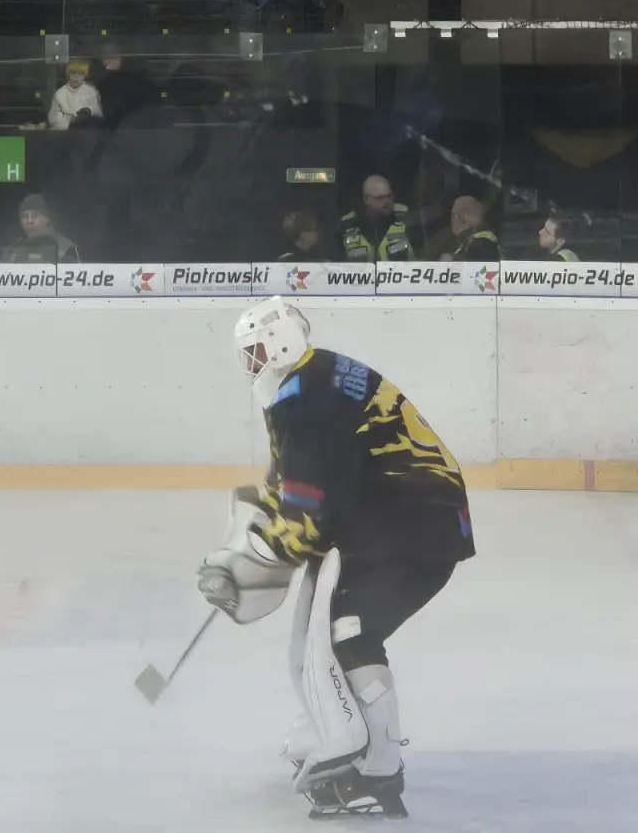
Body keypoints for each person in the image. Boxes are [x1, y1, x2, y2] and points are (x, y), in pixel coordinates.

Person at [197, 296, 474, 820]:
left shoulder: (305, 399)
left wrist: (245, 566)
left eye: (256, 352)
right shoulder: (311, 377)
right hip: (400, 518)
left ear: (281, 343)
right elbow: (298, 489)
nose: (250, 366)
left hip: (411, 524)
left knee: (347, 631)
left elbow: (306, 516)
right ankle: (328, 733)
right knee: (323, 627)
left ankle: (374, 770)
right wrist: (264, 535)